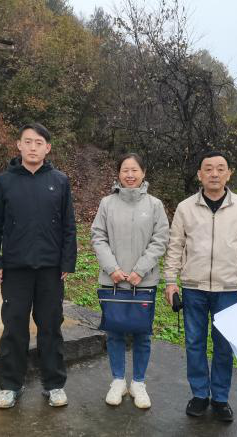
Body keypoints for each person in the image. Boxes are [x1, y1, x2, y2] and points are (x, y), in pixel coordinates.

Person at [163, 151, 237, 422]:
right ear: (199, 174)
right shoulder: (185, 208)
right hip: (193, 288)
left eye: (220, 168)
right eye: (208, 169)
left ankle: (220, 398)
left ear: (229, 174)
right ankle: (199, 394)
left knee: (224, 346)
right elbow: (175, 246)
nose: (214, 174)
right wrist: (171, 281)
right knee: (194, 343)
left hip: (227, 289)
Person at [0, 122, 77, 409]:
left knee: (50, 326)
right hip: (15, 268)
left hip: (51, 269)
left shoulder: (59, 181)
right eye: (28, 142)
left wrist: (67, 261)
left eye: (39, 143)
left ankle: (54, 384)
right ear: (19, 145)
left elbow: (69, 226)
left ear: (47, 148)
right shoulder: (4, 182)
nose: (33, 147)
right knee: (14, 327)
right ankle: (10, 385)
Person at [91, 153, 169, 409]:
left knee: (142, 334)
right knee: (114, 333)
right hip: (112, 280)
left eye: (135, 170)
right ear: (119, 174)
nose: (130, 174)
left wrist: (140, 270)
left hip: (143, 282)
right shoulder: (107, 203)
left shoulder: (155, 205)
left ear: (143, 172)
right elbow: (98, 237)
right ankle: (117, 381)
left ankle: (138, 383)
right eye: (125, 170)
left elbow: (160, 240)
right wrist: (112, 268)